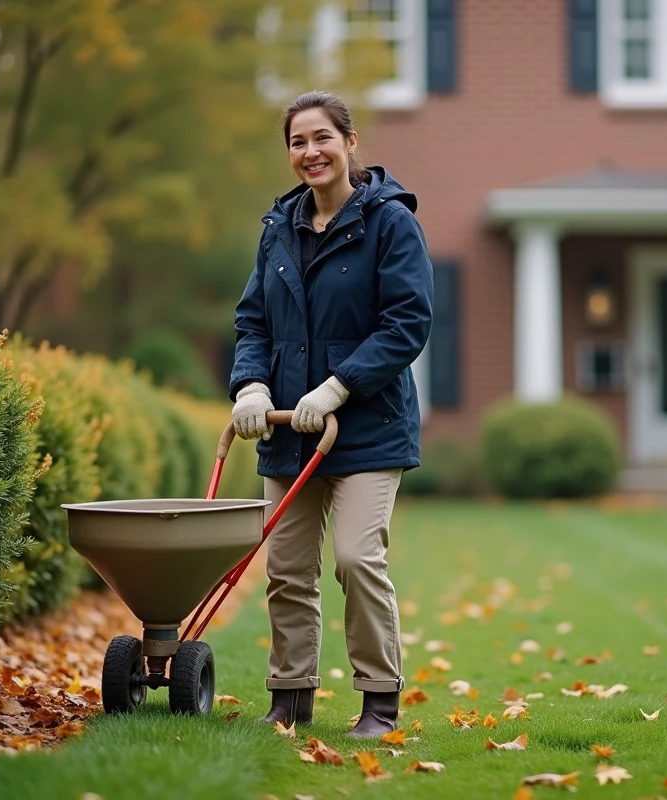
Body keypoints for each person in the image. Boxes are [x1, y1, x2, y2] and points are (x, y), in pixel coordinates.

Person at [227, 90, 433, 738]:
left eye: (321, 137)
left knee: (354, 557)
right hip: (290, 430)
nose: (309, 152)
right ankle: (290, 698)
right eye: (296, 142)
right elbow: (254, 319)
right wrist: (252, 387)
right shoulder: (277, 230)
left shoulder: (390, 223)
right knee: (286, 569)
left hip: (366, 428)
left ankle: (379, 700)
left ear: (348, 142)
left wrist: (339, 387)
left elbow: (408, 323)